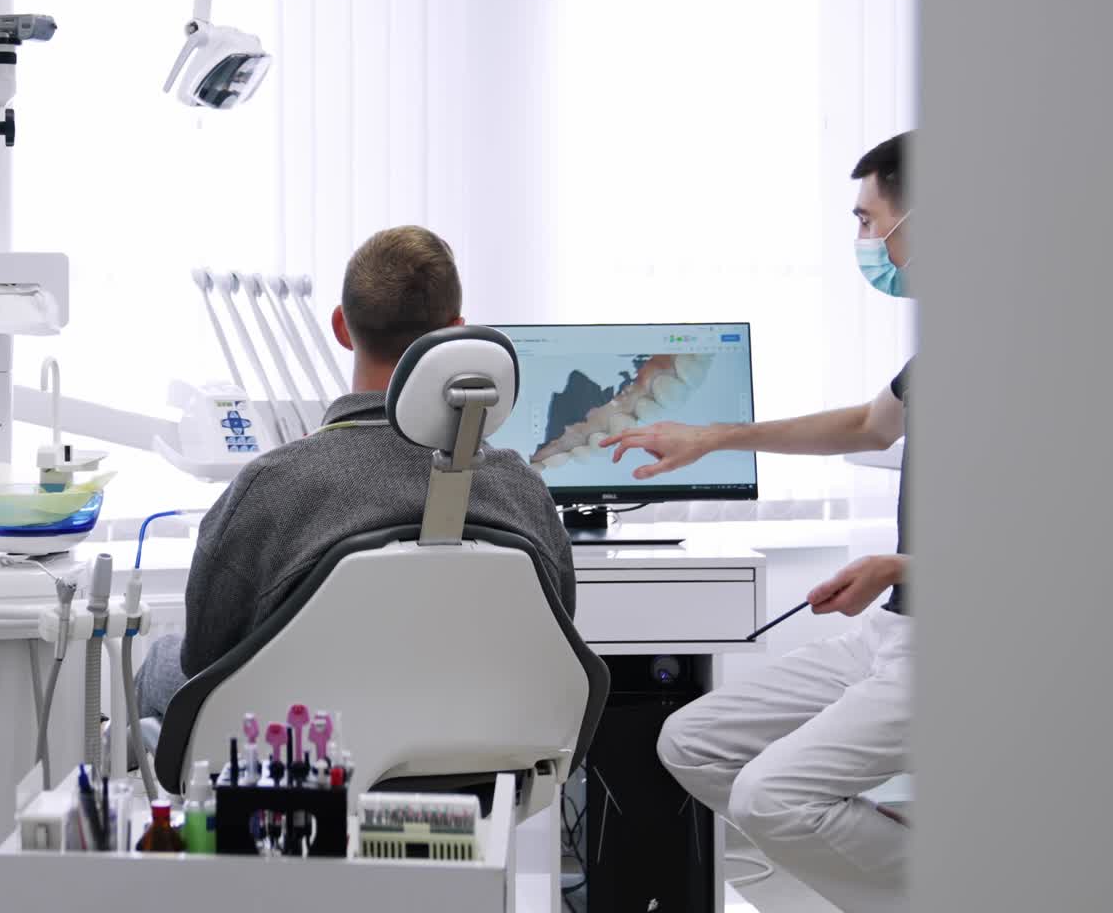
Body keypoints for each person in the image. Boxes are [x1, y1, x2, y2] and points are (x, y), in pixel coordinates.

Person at [601, 132, 914, 913]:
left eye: (868, 219)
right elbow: (868, 426)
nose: (863, 240)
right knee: (691, 741)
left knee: (771, 796)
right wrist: (713, 437)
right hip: (894, 630)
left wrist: (901, 567)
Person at [137, 225, 575, 718]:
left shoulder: (271, 488)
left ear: (341, 327)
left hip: (312, 746)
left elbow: (204, 660)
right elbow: (554, 638)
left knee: (161, 665)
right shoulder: (522, 491)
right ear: (455, 333)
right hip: (479, 740)